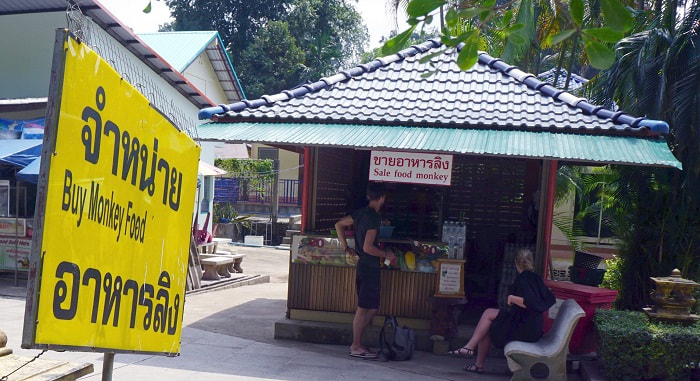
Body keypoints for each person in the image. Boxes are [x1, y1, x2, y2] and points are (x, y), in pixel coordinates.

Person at [448, 247, 555, 374]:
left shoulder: (523, 280)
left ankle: (470, 350)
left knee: (487, 321)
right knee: (488, 317)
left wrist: (512, 298)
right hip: (532, 327)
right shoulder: (536, 278)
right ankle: (475, 359)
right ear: (531, 262)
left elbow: (531, 302)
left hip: (524, 329)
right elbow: (549, 299)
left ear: (515, 262)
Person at [335, 182, 396, 359]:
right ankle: (356, 346)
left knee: (371, 307)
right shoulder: (374, 217)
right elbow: (368, 247)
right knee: (364, 308)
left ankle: (359, 343)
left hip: (364, 265)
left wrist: (346, 247)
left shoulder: (361, 213)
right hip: (369, 265)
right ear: (382, 197)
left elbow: (338, 224)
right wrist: (387, 254)